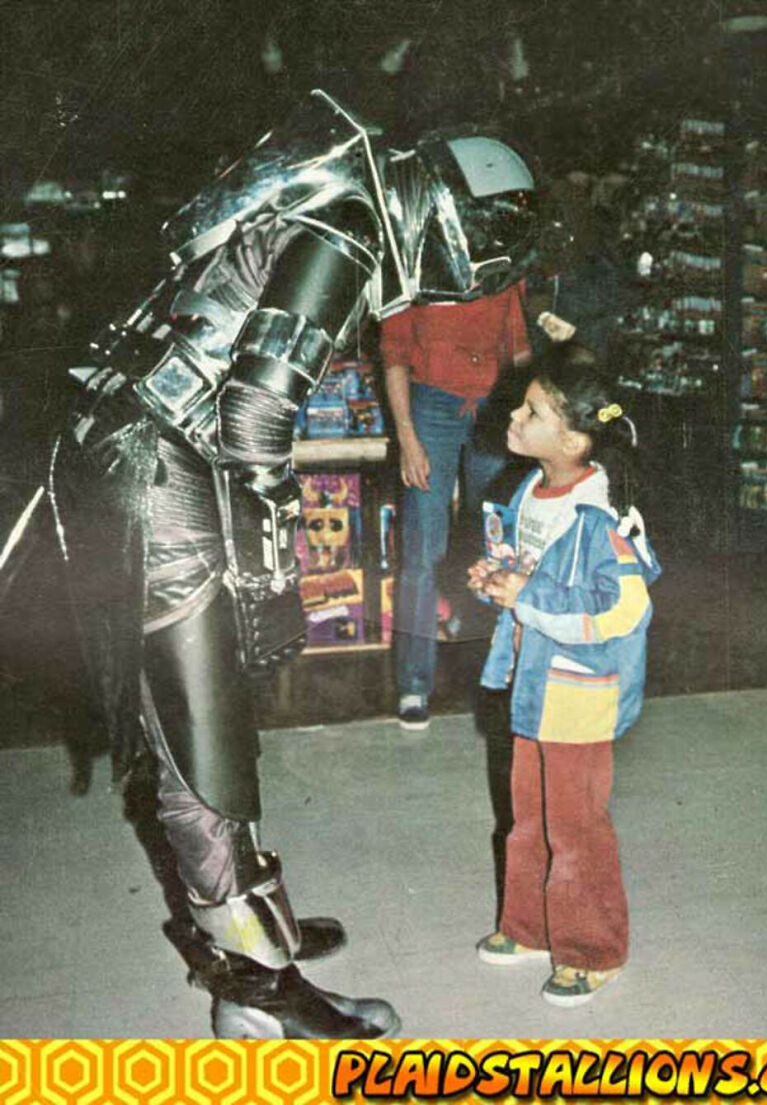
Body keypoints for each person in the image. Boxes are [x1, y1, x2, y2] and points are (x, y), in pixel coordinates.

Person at [32, 90, 540, 1039]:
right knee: (201, 728)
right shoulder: (347, 230)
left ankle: (256, 921)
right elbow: (255, 413)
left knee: (206, 716)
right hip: (155, 464)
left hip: (143, 450)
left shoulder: (328, 200)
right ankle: (256, 988)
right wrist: (275, 574)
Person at [467, 343, 661, 1007]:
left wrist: (526, 596)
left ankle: (593, 949)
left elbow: (624, 609)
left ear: (574, 440)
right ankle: (529, 926)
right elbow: (533, 574)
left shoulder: (599, 516)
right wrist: (501, 581)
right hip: (531, 682)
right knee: (527, 814)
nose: (514, 417)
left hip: (577, 692)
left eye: (532, 412)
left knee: (575, 826)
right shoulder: (530, 490)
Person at [381, 280, 532, 732]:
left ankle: (496, 675)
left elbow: (519, 349)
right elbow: (394, 354)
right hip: (430, 404)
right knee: (423, 552)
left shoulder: (501, 262)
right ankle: (413, 683)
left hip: (497, 406)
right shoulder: (415, 264)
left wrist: (531, 425)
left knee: (497, 548)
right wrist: (407, 439)